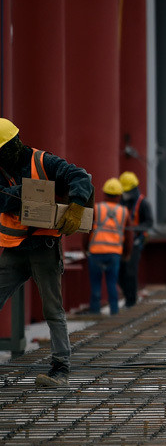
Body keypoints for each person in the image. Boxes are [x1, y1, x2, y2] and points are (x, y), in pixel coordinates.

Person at [0, 118, 92, 387]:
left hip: (44, 247)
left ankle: (60, 368)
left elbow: (80, 177)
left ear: (13, 145)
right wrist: (22, 194)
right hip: (15, 249)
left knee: (53, 309)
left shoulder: (44, 162)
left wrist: (75, 206)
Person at [84, 178, 133, 316]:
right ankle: (114, 312)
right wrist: (127, 253)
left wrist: (85, 248)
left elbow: (87, 231)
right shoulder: (124, 212)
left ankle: (95, 311)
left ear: (105, 194)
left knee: (96, 285)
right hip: (114, 253)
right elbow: (129, 236)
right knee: (112, 283)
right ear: (119, 195)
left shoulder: (97, 209)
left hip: (96, 252)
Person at [119, 171, 153, 308]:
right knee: (120, 271)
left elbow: (149, 223)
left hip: (137, 242)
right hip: (121, 242)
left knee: (130, 271)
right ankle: (127, 295)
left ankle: (131, 301)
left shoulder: (143, 203)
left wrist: (135, 229)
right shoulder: (122, 202)